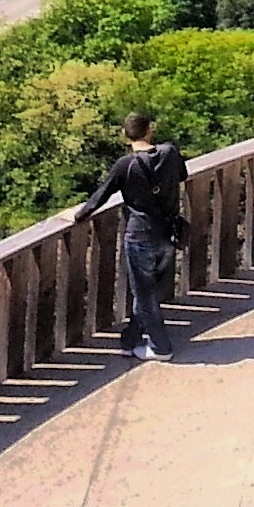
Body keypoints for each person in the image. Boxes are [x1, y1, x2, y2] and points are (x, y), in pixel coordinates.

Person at [74, 112, 187, 361]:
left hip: (139, 236)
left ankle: (161, 347)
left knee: (144, 294)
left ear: (125, 136)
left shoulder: (125, 165)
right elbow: (182, 176)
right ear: (150, 130)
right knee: (150, 290)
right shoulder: (170, 153)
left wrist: (79, 216)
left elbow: (100, 196)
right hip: (167, 233)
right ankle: (131, 339)